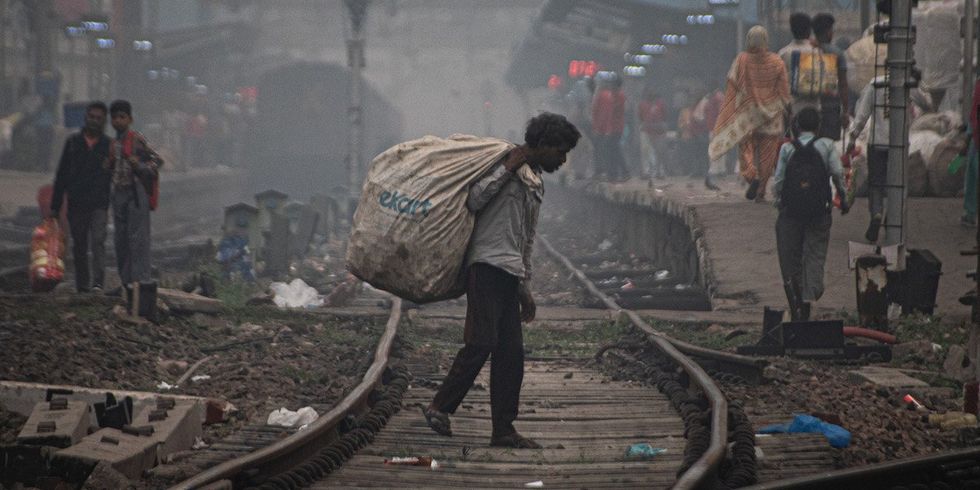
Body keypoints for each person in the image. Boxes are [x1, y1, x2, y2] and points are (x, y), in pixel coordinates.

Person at [424, 113, 581, 449]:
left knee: (511, 353)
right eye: (560, 150)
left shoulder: (534, 180)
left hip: (508, 272)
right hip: (485, 266)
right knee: (481, 341)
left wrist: (525, 285)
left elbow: (526, 236)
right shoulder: (504, 165)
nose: (563, 159)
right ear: (541, 144)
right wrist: (507, 167)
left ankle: (503, 430)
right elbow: (474, 199)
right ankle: (439, 407)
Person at [773, 108, 849, 321]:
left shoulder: (787, 148)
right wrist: (843, 199)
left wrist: (779, 204)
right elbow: (837, 174)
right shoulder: (826, 146)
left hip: (791, 212)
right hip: (818, 210)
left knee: (790, 256)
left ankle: (795, 299)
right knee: (815, 254)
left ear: (796, 126)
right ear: (818, 126)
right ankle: (809, 297)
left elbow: (778, 181)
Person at [709, 25, 791, 202]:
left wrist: (730, 111)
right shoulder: (777, 62)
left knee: (746, 152)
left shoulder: (742, 60)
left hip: (748, 117)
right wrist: (783, 108)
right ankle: (761, 190)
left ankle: (751, 176)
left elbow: (733, 85)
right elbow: (784, 92)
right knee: (767, 157)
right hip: (772, 118)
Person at [847, 76, 932, 242]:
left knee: (876, 183)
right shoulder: (907, 82)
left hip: (877, 143)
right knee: (897, 183)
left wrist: (852, 138)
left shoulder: (874, 84)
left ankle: (877, 213)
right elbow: (927, 104)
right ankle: (892, 217)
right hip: (898, 145)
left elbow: (862, 115)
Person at [50, 101, 112, 293]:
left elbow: (116, 175)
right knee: (79, 245)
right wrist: (55, 205)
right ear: (85, 118)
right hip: (77, 203)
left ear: (104, 121)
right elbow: (61, 174)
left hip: (99, 203)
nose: (94, 121)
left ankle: (98, 283)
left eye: (98, 118)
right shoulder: (73, 143)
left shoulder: (108, 145)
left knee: (98, 241)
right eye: (91, 117)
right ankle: (83, 285)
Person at [106, 100, 163, 303]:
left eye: (122, 117)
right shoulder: (113, 144)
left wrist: (139, 164)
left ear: (130, 119)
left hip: (136, 194)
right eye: (114, 117)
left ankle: (140, 284)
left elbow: (157, 160)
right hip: (118, 193)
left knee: (138, 239)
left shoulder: (137, 139)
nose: (118, 121)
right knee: (121, 240)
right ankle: (126, 283)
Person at [811, 13, 849, 141]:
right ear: (828, 32)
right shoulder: (837, 54)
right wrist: (846, 111)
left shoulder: (808, 51)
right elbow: (843, 84)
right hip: (831, 108)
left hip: (809, 106)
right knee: (828, 147)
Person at [777, 13, 820, 117]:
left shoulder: (783, 53)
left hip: (792, 109)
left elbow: (779, 85)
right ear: (809, 30)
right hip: (815, 108)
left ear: (791, 30)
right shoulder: (818, 52)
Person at [592, 74, 628, 181]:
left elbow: (613, 111)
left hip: (616, 128)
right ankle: (615, 173)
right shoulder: (612, 95)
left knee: (611, 149)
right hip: (611, 127)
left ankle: (616, 172)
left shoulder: (619, 96)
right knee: (614, 150)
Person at [638, 86, 667, 179]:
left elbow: (665, 116)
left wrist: (660, 125)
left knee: (660, 152)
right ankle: (646, 172)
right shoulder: (642, 104)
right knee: (645, 151)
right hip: (646, 130)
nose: (650, 94)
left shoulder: (661, 103)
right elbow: (640, 117)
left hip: (659, 131)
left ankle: (660, 171)